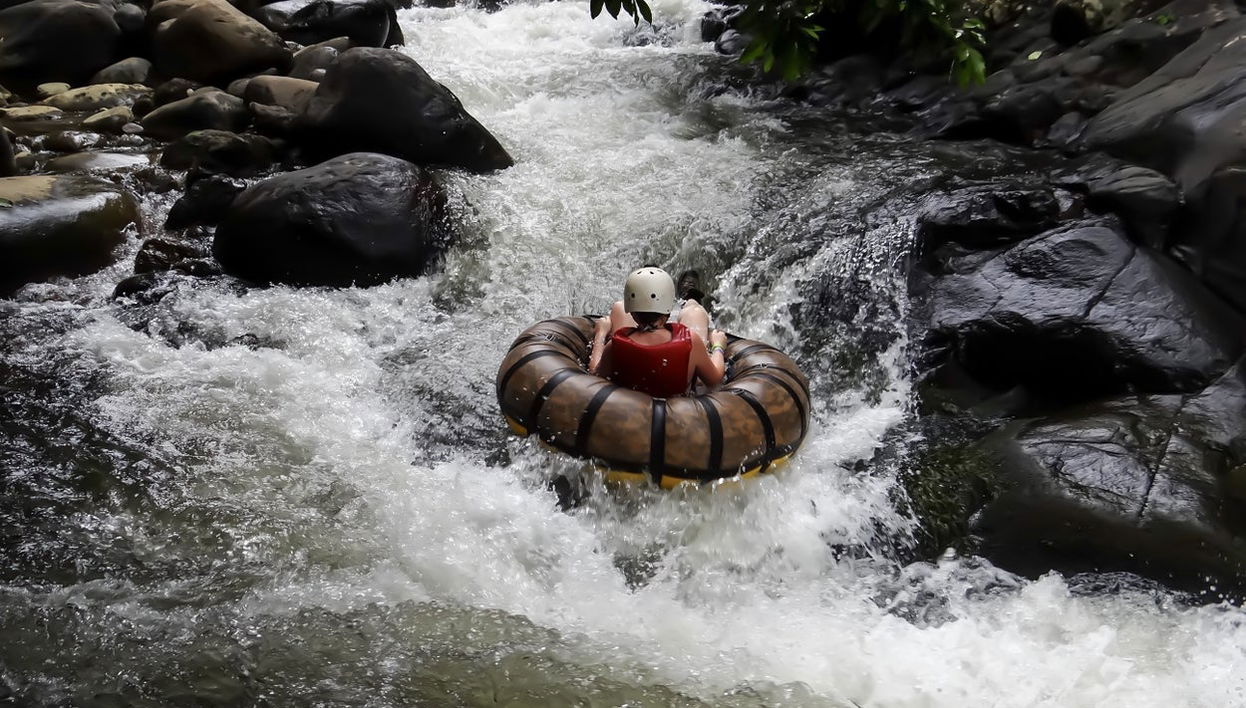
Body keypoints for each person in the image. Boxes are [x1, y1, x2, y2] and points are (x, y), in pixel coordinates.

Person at [588, 267, 728, 397]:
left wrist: (601, 333)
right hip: (679, 407)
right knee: (695, 311)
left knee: (619, 307)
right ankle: (690, 300)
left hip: (629, 405)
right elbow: (714, 380)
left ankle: (646, 289)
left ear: (633, 314)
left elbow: (595, 374)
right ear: (668, 311)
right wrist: (718, 346)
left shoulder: (615, 345)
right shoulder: (691, 341)